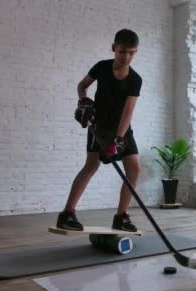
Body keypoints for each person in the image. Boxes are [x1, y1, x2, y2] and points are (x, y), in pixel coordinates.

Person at [57, 29, 142, 232]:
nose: (126, 57)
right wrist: (83, 102)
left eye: (131, 53)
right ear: (114, 48)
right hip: (99, 125)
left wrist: (118, 140)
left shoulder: (135, 80)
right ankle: (67, 213)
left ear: (135, 52)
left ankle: (121, 216)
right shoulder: (102, 67)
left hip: (122, 128)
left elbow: (128, 111)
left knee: (135, 168)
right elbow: (82, 86)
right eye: (122, 51)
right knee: (91, 166)